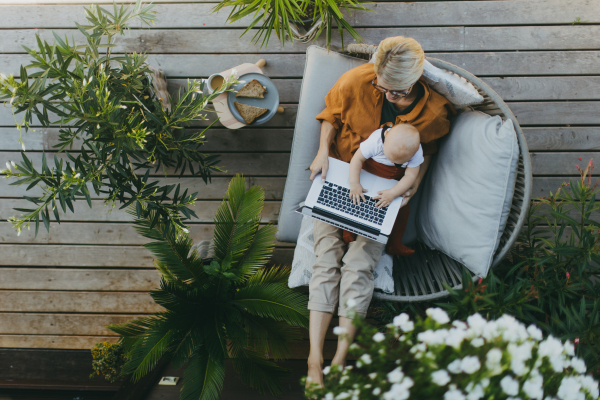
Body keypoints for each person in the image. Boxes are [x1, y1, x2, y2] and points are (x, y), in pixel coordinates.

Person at [306, 36, 456, 387]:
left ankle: (340, 359)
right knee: (325, 259)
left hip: (384, 196)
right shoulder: (357, 80)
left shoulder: (433, 112)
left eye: (393, 90)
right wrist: (321, 152)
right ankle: (314, 358)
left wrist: (412, 186)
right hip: (344, 177)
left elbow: (428, 151)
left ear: (413, 82)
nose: (384, 91)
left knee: (358, 267)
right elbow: (330, 116)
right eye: (380, 83)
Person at [347, 123, 423, 256]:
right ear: (386, 135)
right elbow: (357, 159)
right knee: (356, 199)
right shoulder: (376, 140)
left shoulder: (416, 150)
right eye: (388, 156)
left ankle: (395, 243)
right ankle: (348, 231)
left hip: (393, 183)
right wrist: (355, 184)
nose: (391, 161)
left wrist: (393, 193)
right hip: (369, 174)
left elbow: (410, 175)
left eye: (399, 161)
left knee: (402, 210)